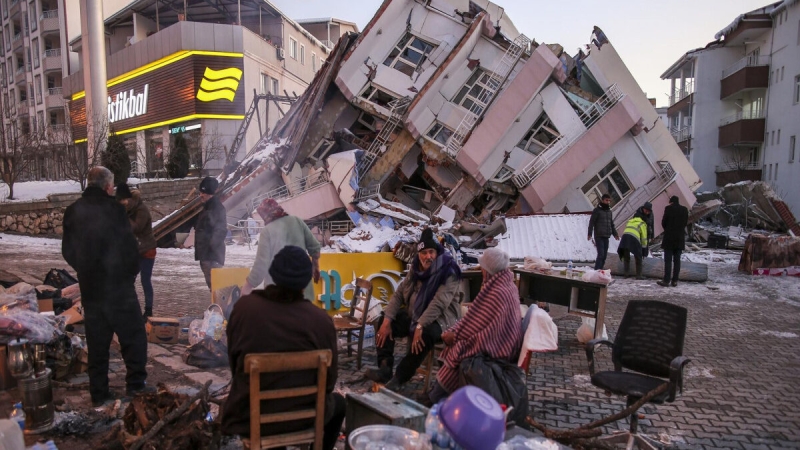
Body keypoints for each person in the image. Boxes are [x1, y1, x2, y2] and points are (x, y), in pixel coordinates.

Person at [222, 246, 344, 450]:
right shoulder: (321, 321)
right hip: (306, 418)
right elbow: (329, 382)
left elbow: (236, 368)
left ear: (273, 274)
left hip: (251, 417)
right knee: (339, 404)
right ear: (306, 282)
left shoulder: (244, 309)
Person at [62, 167, 150, 407]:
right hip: (119, 286)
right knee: (133, 337)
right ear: (108, 187)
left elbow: (67, 251)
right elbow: (129, 248)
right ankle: (136, 385)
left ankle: (99, 393)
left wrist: (84, 269)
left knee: (97, 342)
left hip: (91, 288)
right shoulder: (115, 211)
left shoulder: (72, 211)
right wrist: (130, 273)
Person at [365, 228, 462, 391]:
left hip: (441, 320)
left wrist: (420, 325)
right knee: (384, 319)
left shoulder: (448, 271)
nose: (428, 256)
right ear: (419, 254)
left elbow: (439, 303)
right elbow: (399, 293)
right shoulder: (416, 268)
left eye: (431, 252)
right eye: (424, 253)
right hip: (415, 315)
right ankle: (384, 368)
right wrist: (388, 318)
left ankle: (399, 378)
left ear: (437, 252)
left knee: (425, 335)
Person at [429, 248, 522, 404]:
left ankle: (436, 397)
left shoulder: (497, 292)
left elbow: (477, 326)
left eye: (483, 269)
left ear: (487, 271)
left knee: (459, 348)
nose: (481, 272)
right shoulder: (507, 285)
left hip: (498, 346)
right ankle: (438, 395)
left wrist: (455, 335)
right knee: (457, 343)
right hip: (503, 341)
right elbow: (477, 320)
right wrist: (456, 331)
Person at [241, 198, 321, 300]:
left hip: (279, 296)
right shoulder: (296, 221)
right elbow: (314, 247)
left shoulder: (267, 231)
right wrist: (316, 266)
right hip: (303, 291)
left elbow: (261, 264)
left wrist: (247, 286)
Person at [116, 183, 157, 318]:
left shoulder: (141, 210)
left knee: (145, 280)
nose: (122, 203)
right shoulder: (129, 210)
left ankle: (148, 310)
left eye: (123, 200)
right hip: (135, 250)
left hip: (147, 250)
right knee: (128, 279)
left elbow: (136, 228)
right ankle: (128, 307)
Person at [195, 177, 227, 289]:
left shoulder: (216, 208)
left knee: (216, 289)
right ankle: (218, 306)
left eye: (203, 192)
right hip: (207, 255)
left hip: (212, 257)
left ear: (209, 193)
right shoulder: (208, 207)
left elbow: (221, 229)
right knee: (214, 289)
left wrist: (211, 245)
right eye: (200, 192)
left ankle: (221, 306)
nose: (201, 195)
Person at [658, 196, 689, 287]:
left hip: (669, 238)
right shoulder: (684, 210)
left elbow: (664, 222)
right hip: (679, 239)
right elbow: (685, 223)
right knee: (677, 260)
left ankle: (666, 280)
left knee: (668, 261)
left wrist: (668, 230)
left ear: (671, 202)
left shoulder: (668, 209)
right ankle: (675, 280)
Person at [588, 194, 619, 270]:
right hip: (599, 235)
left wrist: (615, 234)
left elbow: (611, 224)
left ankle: (600, 270)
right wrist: (589, 233)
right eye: (606, 200)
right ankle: (597, 270)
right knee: (601, 254)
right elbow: (592, 222)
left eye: (609, 200)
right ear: (602, 200)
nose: (608, 202)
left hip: (606, 236)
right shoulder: (597, 210)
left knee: (604, 255)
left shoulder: (609, 212)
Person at [617, 214, 649, 280]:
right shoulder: (642, 223)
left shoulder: (630, 221)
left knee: (626, 256)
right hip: (634, 238)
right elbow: (644, 239)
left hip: (625, 238)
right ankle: (639, 275)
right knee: (638, 257)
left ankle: (626, 274)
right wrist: (643, 250)